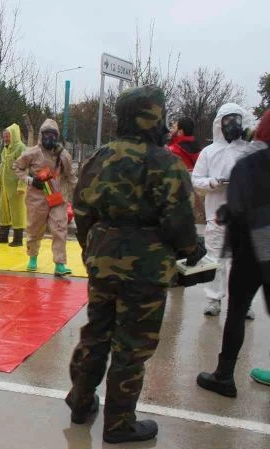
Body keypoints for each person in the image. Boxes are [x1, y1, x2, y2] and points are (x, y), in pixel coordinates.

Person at [67, 85, 205, 444]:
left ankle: (80, 403)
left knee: (96, 333)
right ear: (153, 118)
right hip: (146, 269)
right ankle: (119, 425)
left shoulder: (98, 158)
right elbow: (180, 223)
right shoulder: (165, 163)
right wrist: (192, 248)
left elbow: (81, 212)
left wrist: (94, 251)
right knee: (131, 346)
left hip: (102, 261)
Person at [197, 110, 270, 397]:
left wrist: (226, 213)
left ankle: (224, 375)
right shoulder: (213, 152)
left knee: (237, 310)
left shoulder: (249, 161)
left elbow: (237, 209)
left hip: (253, 246)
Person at [191, 103, 255, 319]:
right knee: (214, 258)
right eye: (227, 120)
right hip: (216, 215)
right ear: (219, 123)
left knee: (242, 261)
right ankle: (213, 299)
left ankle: (244, 303)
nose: (232, 125)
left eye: (236, 119)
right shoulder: (209, 152)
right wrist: (214, 183)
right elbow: (196, 180)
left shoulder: (248, 150)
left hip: (244, 215)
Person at [13, 119, 76, 275]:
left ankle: (60, 264)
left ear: (57, 136)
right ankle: (33, 257)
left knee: (60, 229)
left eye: (53, 135)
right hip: (36, 198)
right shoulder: (32, 152)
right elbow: (17, 167)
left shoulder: (62, 154)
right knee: (34, 229)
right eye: (47, 134)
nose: (50, 138)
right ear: (41, 135)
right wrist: (30, 180)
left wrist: (82, 193)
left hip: (57, 198)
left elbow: (71, 175)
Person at [0, 124, 26, 246]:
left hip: (16, 187)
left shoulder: (21, 148)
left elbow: (24, 168)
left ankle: (18, 239)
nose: (5, 139)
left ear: (14, 136)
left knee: (17, 211)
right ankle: (3, 237)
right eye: (4, 137)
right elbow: (2, 167)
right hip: (5, 187)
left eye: (7, 137)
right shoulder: (5, 149)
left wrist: (22, 186)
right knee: (4, 211)